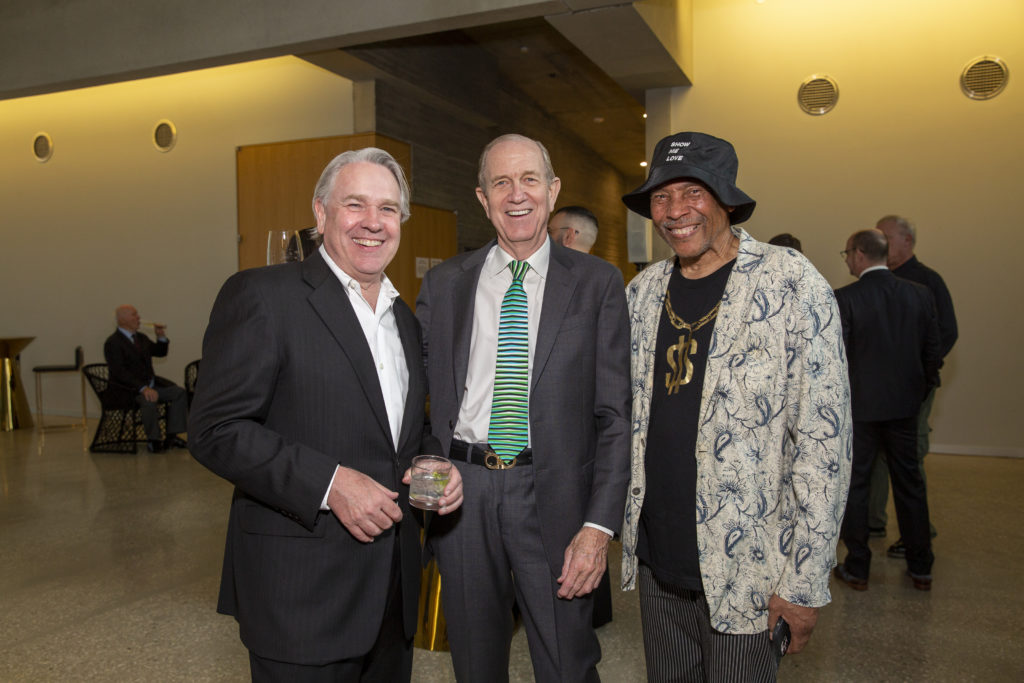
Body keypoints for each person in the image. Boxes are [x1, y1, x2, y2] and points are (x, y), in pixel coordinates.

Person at [188, 148, 463, 682]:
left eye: (387, 209)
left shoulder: (403, 319)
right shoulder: (265, 296)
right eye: (354, 204)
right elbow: (214, 429)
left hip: (390, 594)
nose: (372, 223)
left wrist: (436, 470)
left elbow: (404, 436)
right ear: (320, 213)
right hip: (301, 594)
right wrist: (329, 483)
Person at [619, 131, 852, 680]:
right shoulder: (644, 291)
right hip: (658, 562)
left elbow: (825, 443)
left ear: (725, 199)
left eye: (692, 192)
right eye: (660, 197)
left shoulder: (790, 283)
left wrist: (802, 583)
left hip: (748, 570)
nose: (675, 211)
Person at [416, 133, 630, 681]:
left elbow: (614, 416)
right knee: (475, 660)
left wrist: (599, 527)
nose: (517, 194)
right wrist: (426, 472)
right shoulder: (444, 285)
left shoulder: (597, 283)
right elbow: (412, 400)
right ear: (483, 199)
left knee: (568, 662)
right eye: (501, 182)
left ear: (553, 190)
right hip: (462, 496)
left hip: (555, 497)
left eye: (529, 179)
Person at [833, 229, 941, 592]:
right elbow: (932, 354)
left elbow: (837, 362)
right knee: (910, 485)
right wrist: (917, 394)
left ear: (861, 254)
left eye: (847, 253)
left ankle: (858, 567)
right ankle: (921, 565)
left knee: (857, 486)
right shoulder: (919, 295)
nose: (846, 259)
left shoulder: (845, 299)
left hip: (859, 411)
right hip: (905, 409)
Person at [868, 215, 958, 555]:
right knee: (873, 457)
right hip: (876, 390)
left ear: (907, 241)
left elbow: (946, 332)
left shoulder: (927, 282)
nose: (882, 243)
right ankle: (872, 521)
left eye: (887, 237)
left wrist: (916, 374)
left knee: (907, 459)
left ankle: (918, 533)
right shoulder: (876, 281)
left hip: (912, 391)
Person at [103, 304, 188, 453]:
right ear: (122, 320)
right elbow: (119, 372)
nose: (138, 318)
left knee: (179, 393)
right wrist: (143, 388)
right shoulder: (113, 342)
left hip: (150, 386)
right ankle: (154, 440)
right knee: (148, 399)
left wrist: (161, 337)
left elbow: (160, 353)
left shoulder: (141, 338)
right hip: (128, 391)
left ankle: (172, 436)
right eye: (134, 315)